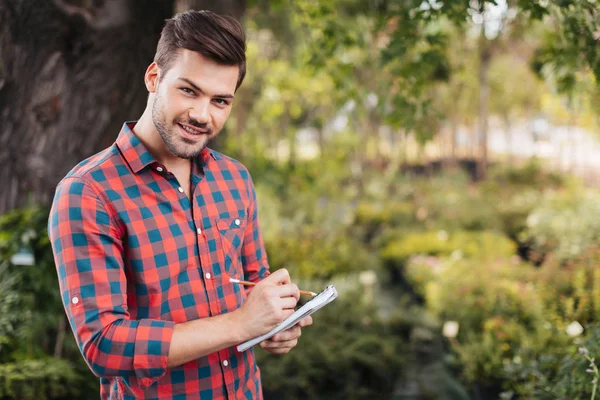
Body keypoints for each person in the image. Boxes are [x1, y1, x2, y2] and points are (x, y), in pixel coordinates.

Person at [48, 10, 311, 400]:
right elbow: (104, 345)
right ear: (154, 78)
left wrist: (276, 320)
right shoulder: (88, 193)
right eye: (188, 90)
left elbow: (256, 285)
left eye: (220, 100)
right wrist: (241, 323)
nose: (201, 115)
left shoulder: (235, 179)